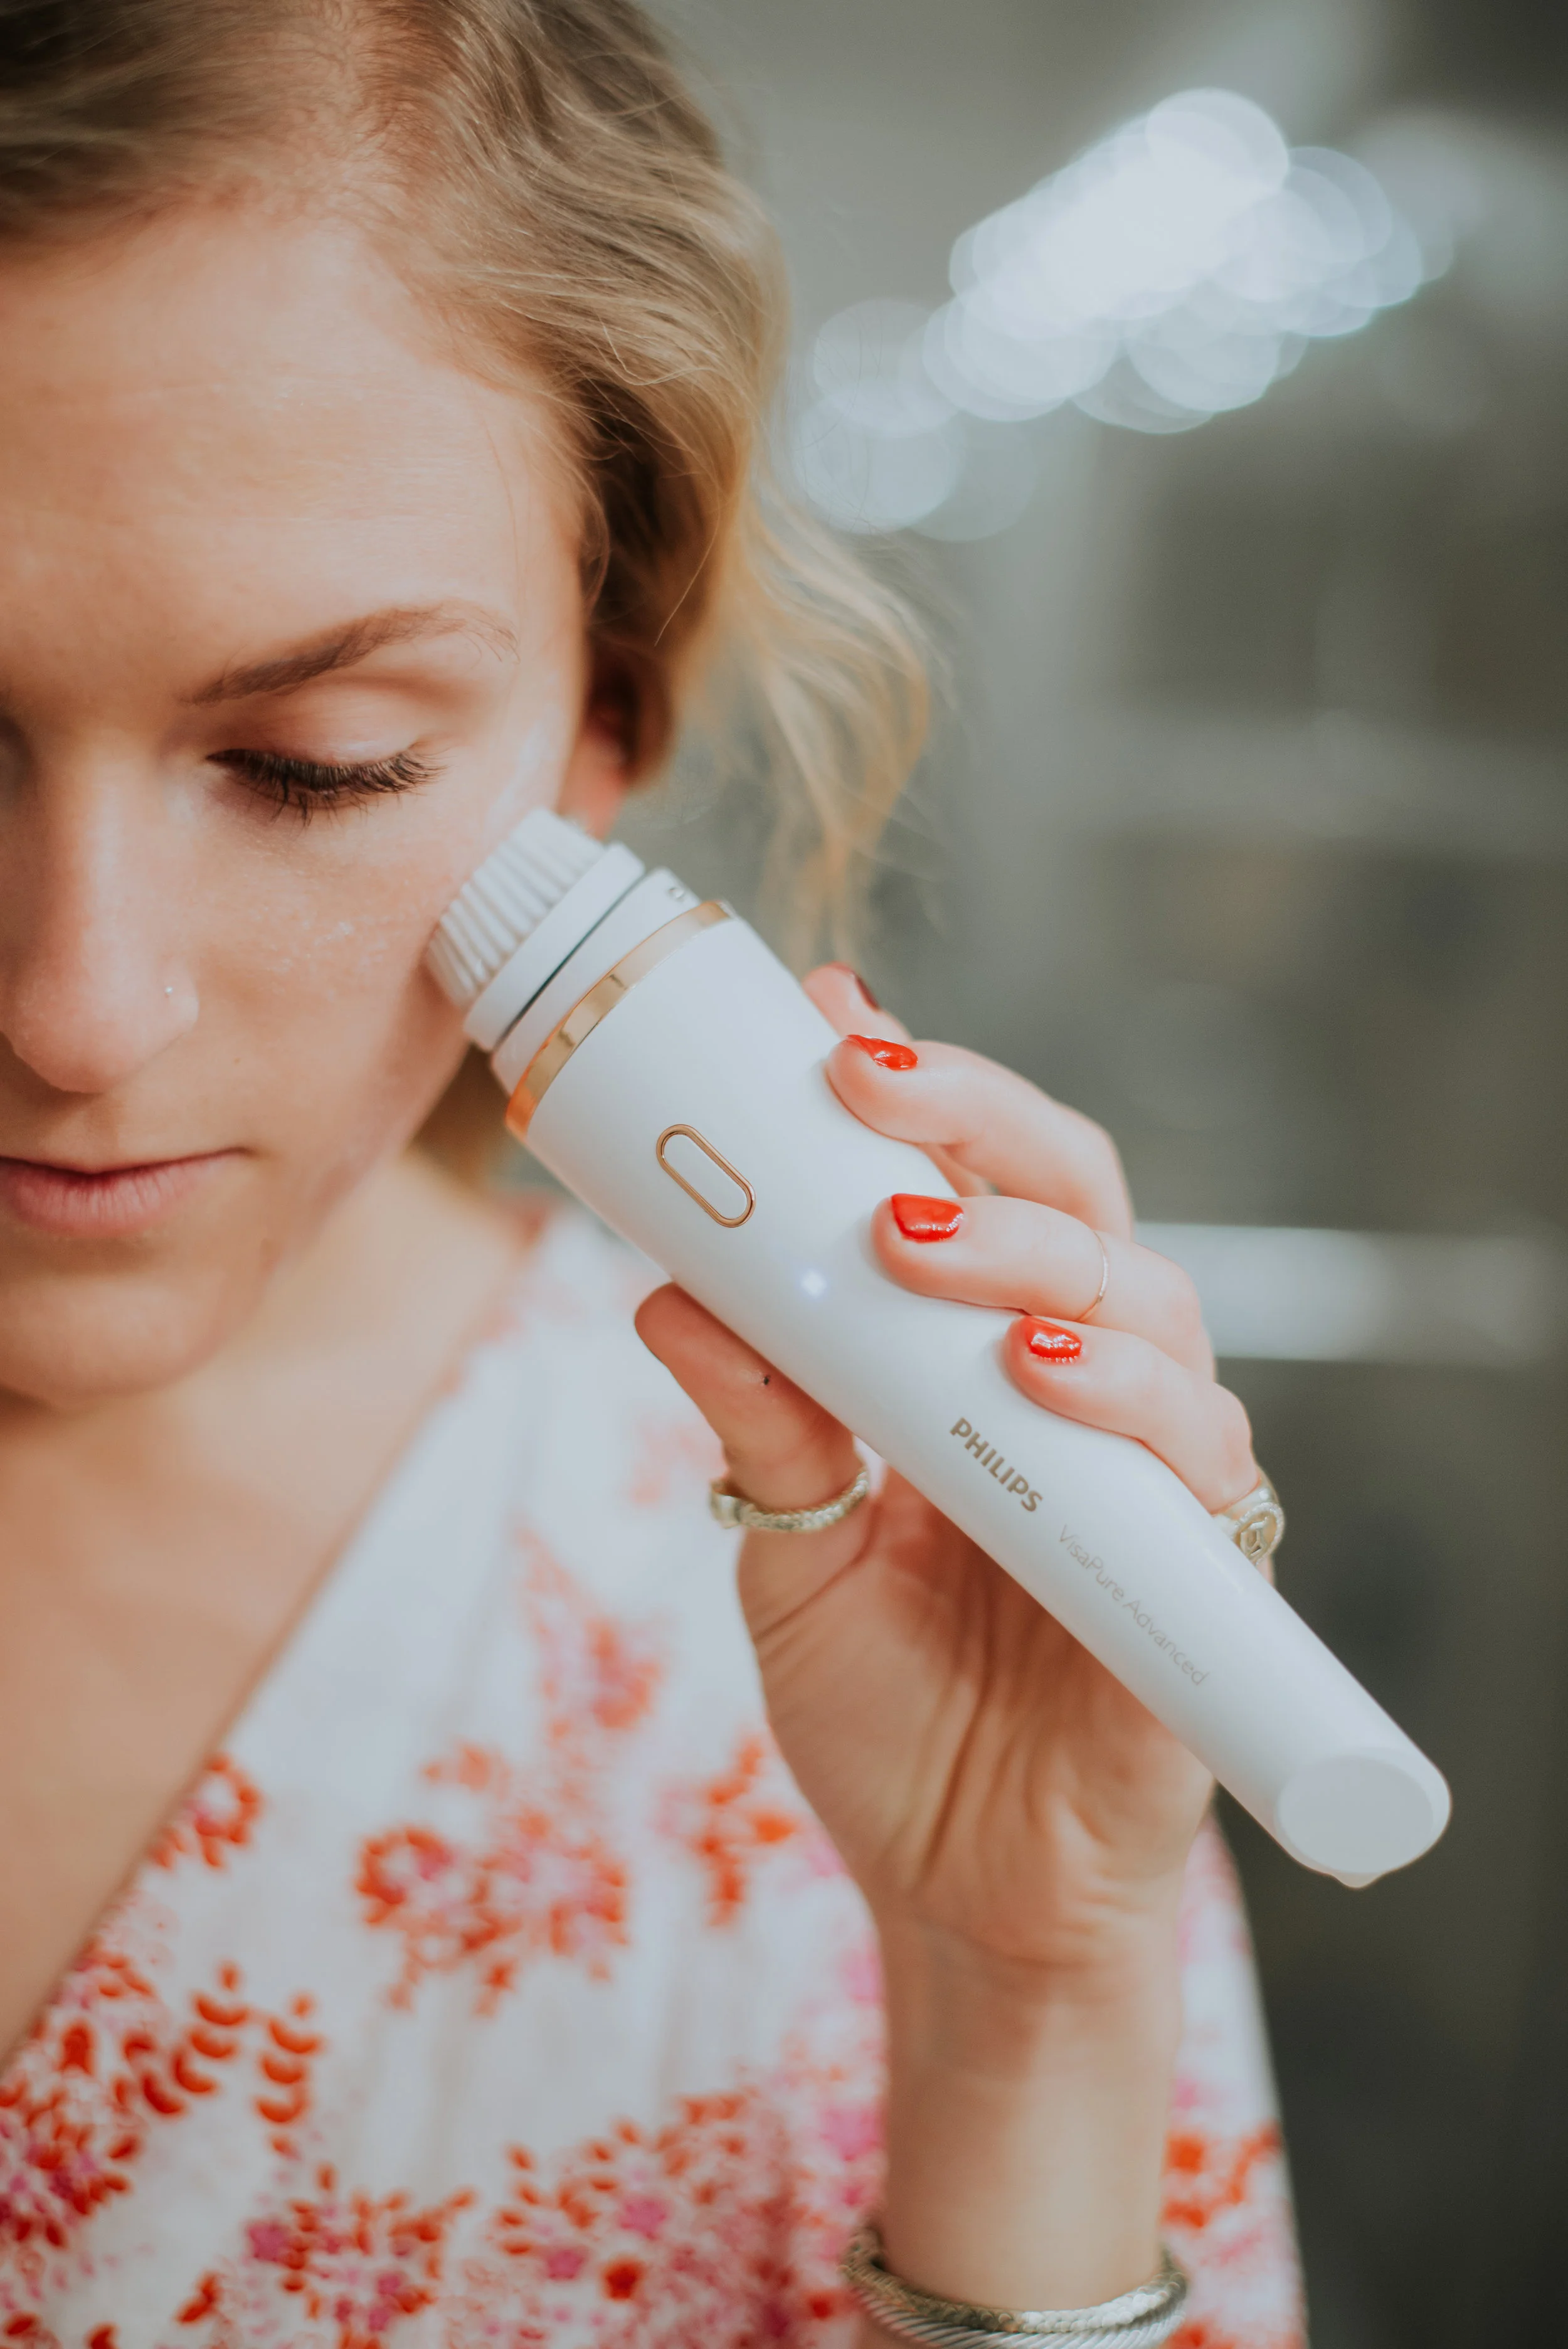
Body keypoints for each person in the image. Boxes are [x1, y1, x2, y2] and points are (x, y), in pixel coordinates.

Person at [0, 3, 1305, 2343]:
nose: (81, 1008)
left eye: (318, 764)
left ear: (601, 737)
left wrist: (1020, 2007)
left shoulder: (883, 1581)